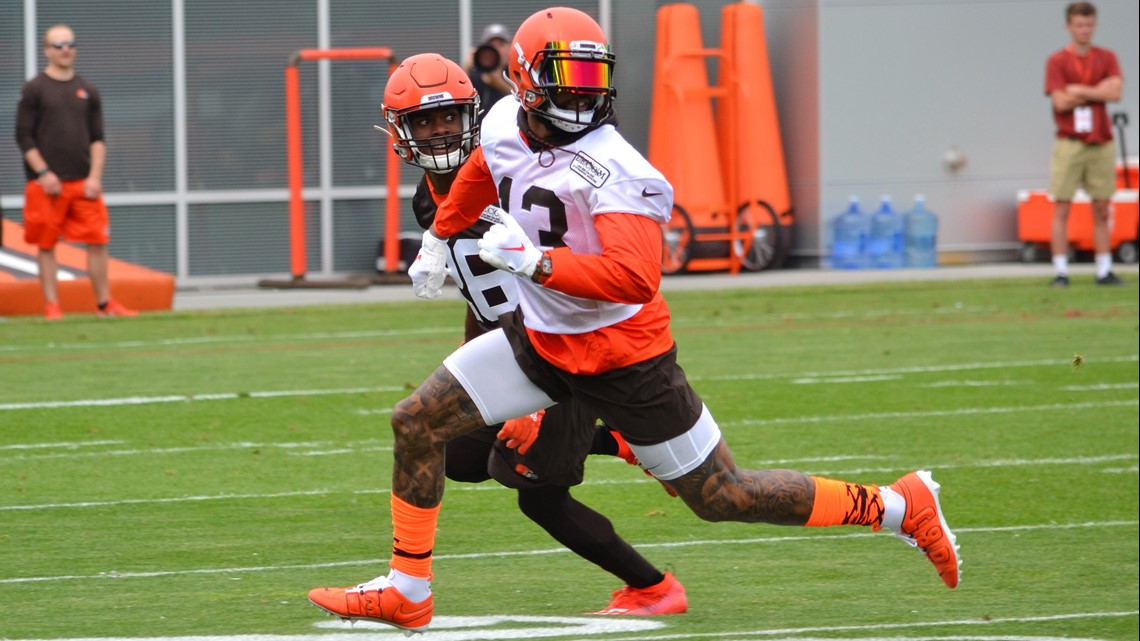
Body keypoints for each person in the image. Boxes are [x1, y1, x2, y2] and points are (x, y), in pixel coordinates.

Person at [308, 8, 961, 634]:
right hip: (539, 340)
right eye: (567, 79)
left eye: (591, 79)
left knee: (721, 495)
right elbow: (481, 169)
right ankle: (408, 589)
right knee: (417, 421)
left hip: (624, 355)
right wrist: (438, 236)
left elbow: (632, 278)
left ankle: (898, 504)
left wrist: (537, 265)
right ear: (527, 81)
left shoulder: (620, 169)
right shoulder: (506, 121)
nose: (581, 96)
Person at [356, 51, 688, 617]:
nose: (438, 132)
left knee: (537, 493)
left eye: (449, 118)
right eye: (423, 122)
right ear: (399, 132)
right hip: (516, 347)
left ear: (473, 115)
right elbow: (479, 299)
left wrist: (528, 398)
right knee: (458, 456)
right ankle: (619, 441)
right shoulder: (428, 200)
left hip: (564, 349)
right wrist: (466, 370)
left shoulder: (507, 182)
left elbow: (545, 292)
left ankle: (654, 589)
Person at [15, 24, 137, 320]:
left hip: (83, 183)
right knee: (46, 244)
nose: (65, 49)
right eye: (58, 45)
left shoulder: (88, 90)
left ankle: (104, 303)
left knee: (97, 240)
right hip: (46, 185)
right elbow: (23, 136)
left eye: (70, 44)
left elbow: (98, 139)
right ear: (47, 50)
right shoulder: (35, 89)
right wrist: (44, 173)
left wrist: (95, 177)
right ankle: (53, 306)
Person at [1044, 2, 1125, 288]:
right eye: (1079, 25)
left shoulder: (1107, 57)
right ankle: (1061, 272)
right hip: (1070, 141)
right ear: (1069, 26)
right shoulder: (1057, 61)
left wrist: (1078, 89)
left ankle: (1104, 270)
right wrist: (1096, 92)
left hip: (1100, 141)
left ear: (1095, 25)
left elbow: (1115, 91)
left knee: (1102, 206)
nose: (1084, 30)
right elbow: (1060, 101)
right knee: (1062, 206)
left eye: (1089, 25)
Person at [466, 23, 513, 115]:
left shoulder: (515, 74)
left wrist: (499, 83)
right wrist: (466, 70)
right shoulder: (475, 77)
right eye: (491, 45)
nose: (496, 50)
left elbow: (524, 103)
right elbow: (459, 101)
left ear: (509, 48)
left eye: (501, 45)